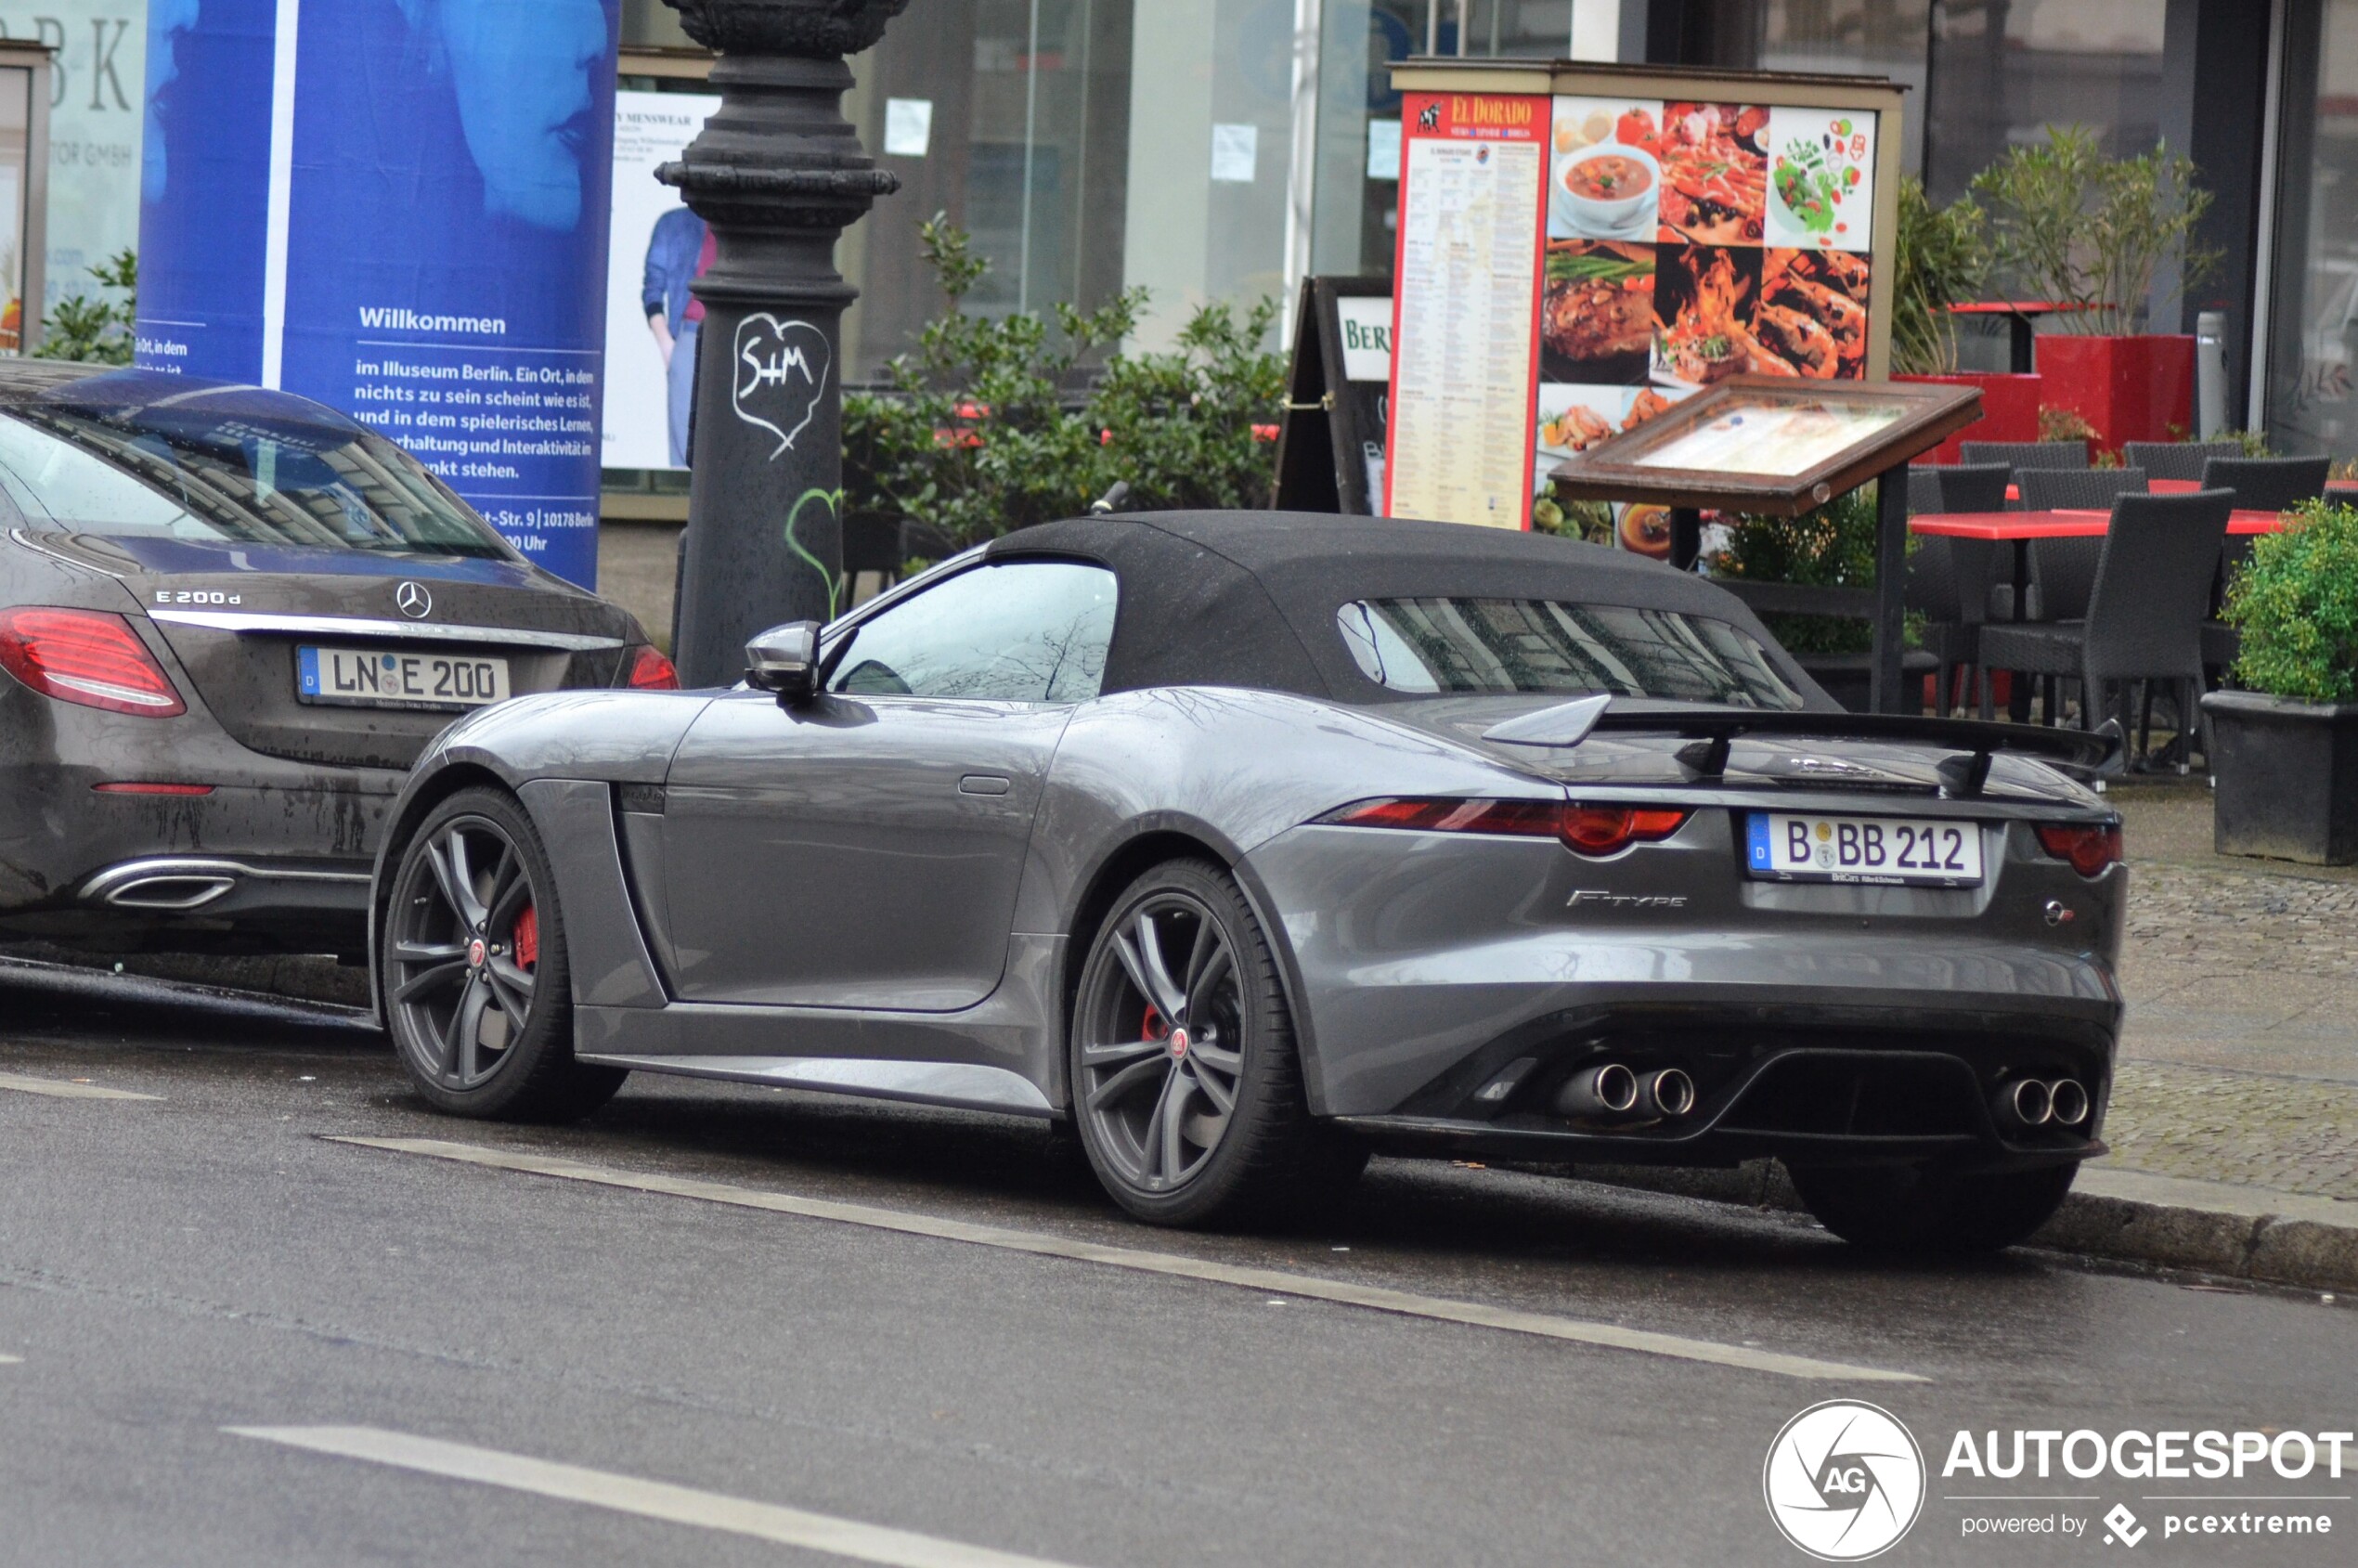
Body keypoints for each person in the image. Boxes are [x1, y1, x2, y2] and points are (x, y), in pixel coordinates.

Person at [643, 207, 712, 468]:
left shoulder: (742, 222)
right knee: (685, 446)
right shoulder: (674, 223)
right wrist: (666, 344)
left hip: (733, 336)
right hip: (691, 335)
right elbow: (653, 288)